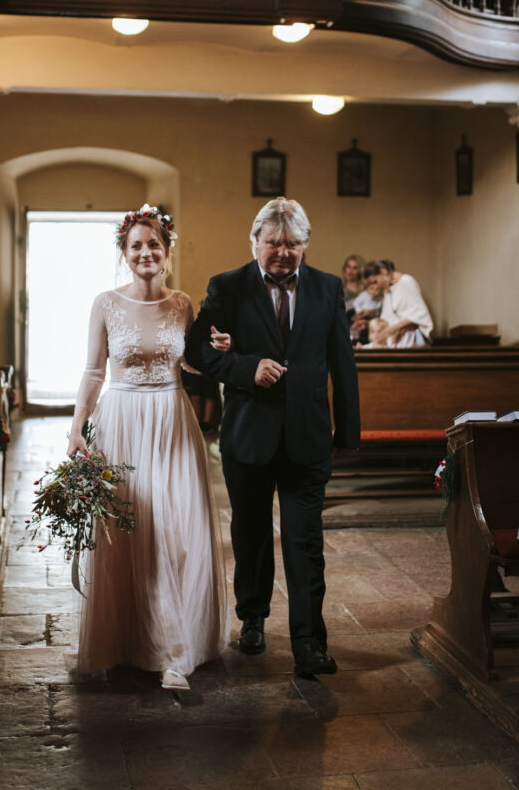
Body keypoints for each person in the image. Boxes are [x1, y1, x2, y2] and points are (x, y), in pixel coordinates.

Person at [187, 197, 360, 677]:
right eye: (274, 242)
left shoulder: (327, 287)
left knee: (305, 541)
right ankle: (253, 618)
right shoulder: (227, 287)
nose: (283, 251)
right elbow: (198, 351)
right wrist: (246, 368)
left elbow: (342, 361)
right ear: (255, 242)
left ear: (305, 245)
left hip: (308, 434)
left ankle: (309, 641)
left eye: (293, 243)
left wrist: (347, 430)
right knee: (251, 535)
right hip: (249, 433)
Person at [67, 205, 228, 691]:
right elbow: (93, 371)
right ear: (124, 252)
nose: (145, 253)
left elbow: (189, 362)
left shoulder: (182, 304)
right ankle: (129, 642)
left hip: (172, 420)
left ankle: (175, 648)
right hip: (123, 422)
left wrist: (217, 350)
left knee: (175, 530)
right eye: (136, 245)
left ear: (166, 250)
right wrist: (77, 428)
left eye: (154, 244)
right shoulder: (105, 303)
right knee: (134, 530)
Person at [362, 260, 433, 347]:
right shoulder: (389, 289)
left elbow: (420, 314)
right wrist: (369, 323)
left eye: (375, 282)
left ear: (383, 271)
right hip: (396, 341)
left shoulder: (406, 281)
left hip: (410, 340)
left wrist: (394, 329)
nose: (376, 287)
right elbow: (389, 318)